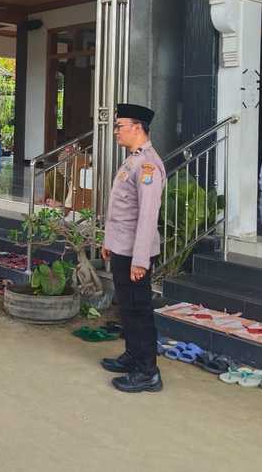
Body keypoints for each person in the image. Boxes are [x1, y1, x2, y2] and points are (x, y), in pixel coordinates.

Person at [100, 103, 166, 393]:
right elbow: (120, 209)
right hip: (122, 247)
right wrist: (109, 242)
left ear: (137, 128)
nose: (116, 131)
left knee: (139, 310)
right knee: (127, 308)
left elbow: (148, 216)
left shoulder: (148, 165)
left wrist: (140, 260)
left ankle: (147, 372)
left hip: (135, 254)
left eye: (120, 126)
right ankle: (132, 355)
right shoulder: (133, 161)